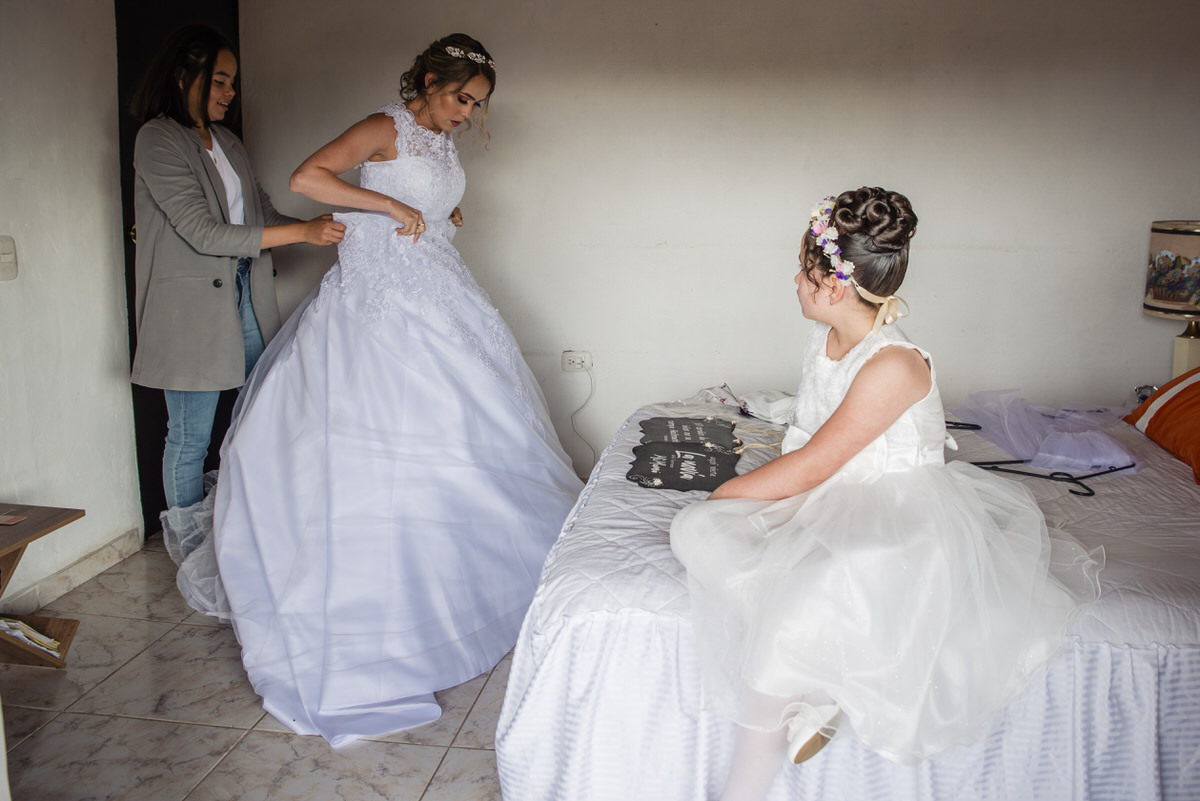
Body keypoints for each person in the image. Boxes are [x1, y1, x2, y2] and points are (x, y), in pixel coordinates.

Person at [195, 33, 583, 747]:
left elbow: (420, 199)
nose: (467, 112)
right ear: (430, 79)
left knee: (464, 431)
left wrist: (438, 214)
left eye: (477, 104)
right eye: (461, 97)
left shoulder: (439, 139)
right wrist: (385, 211)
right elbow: (310, 178)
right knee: (366, 439)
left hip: (434, 287)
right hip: (377, 300)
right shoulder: (386, 125)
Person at [669, 188, 1103, 800]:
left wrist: (727, 495)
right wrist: (734, 504)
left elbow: (815, 464)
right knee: (693, 532)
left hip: (895, 514)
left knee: (787, 598)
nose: (796, 280)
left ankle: (757, 769)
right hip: (831, 492)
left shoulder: (894, 365)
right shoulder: (824, 341)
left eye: (806, 271)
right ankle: (816, 690)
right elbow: (809, 444)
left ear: (835, 287)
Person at [130, 24, 345, 511]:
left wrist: (335, 229)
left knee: (255, 424)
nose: (231, 93)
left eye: (233, 82)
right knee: (189, 438)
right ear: (185, 76)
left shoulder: (228, 142)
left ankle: (237, 536)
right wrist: (303, 233)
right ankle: (186, 551)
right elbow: (203, 233)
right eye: (221, 81)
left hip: (249, 301)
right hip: (190, 313)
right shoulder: (157, 139)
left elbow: (263, 218)